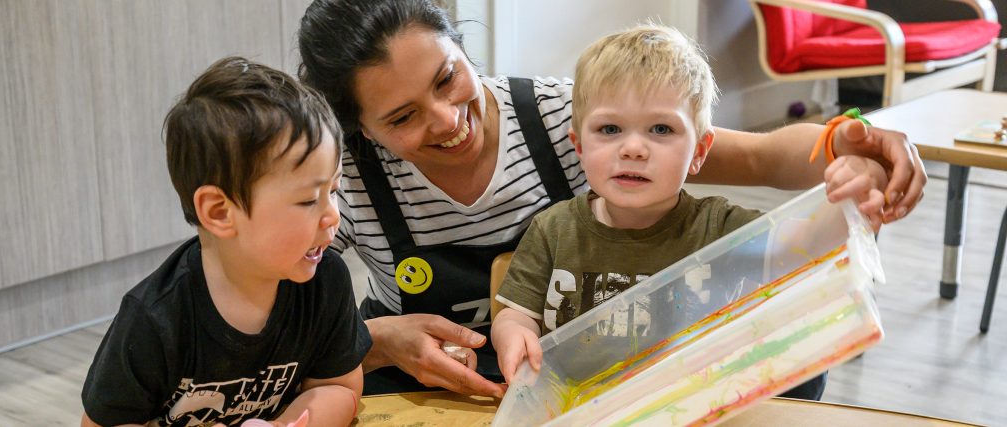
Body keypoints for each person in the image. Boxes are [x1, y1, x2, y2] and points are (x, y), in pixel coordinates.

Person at [296, 0, 925, 398]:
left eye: (447, 77)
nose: (447, 120)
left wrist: (849, 140)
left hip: (591, 383)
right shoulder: (343, 176)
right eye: (404, 117)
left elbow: (761, 156)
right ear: (361, 129)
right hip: (424, 390)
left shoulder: (562, 116)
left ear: (460, 45)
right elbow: (256, 302)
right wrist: (373, 337)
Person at [489, 24, 887, 402]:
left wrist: (856, 194)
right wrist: (513, 335)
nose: (633, 149)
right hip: (579, 408)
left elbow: (813, 242)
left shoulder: (719, 227)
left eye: (661, 130)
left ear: (699, 151)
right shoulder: (552, 229)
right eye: (609, 129)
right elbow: (515, 315)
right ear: (578, 146)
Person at [80, 57, 371, 427]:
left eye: (334, 189)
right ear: (219, 212)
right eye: (308, 200)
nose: (333, 215)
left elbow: (340, 388)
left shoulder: (325, 282)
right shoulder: (155, 319)